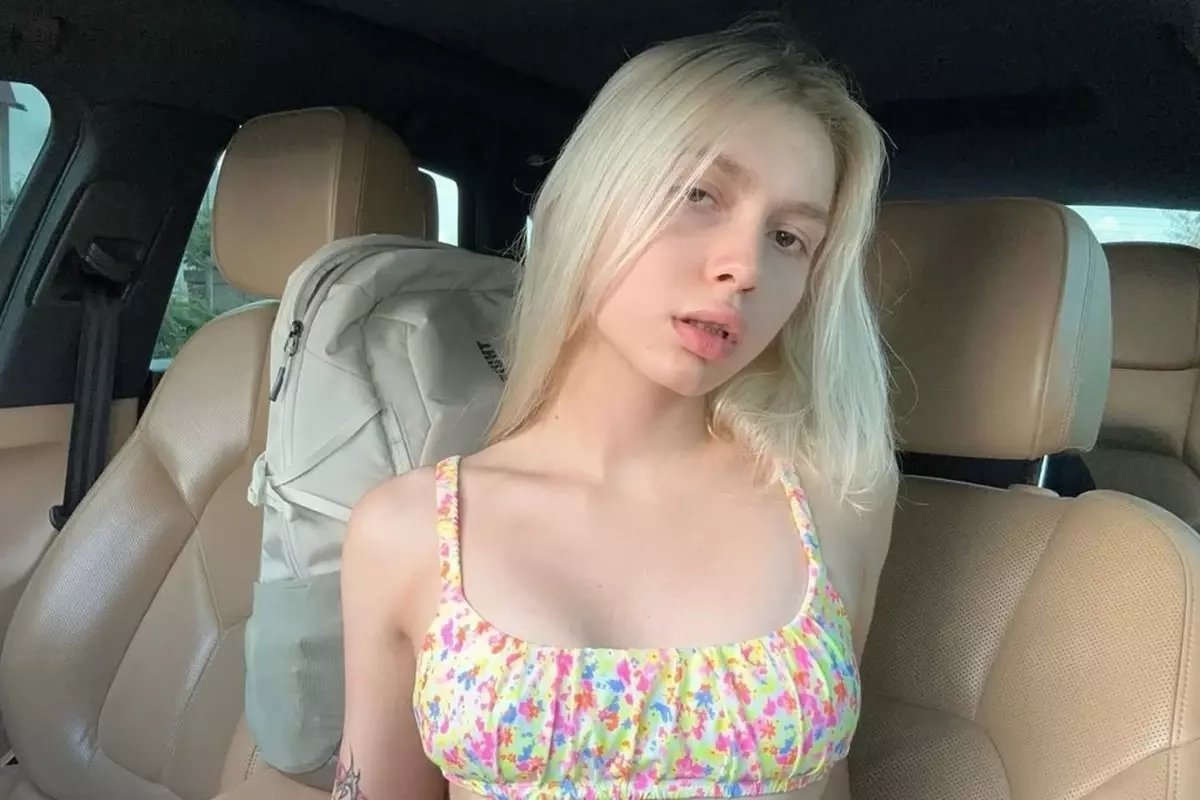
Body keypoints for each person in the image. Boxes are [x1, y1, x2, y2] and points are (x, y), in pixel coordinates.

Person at [334, 22, 898, 800]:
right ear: (582, 203)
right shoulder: (409, 530)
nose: (744, 267)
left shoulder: (837, 497)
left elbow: (831, 780)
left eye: (789, 238)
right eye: (698, 193)